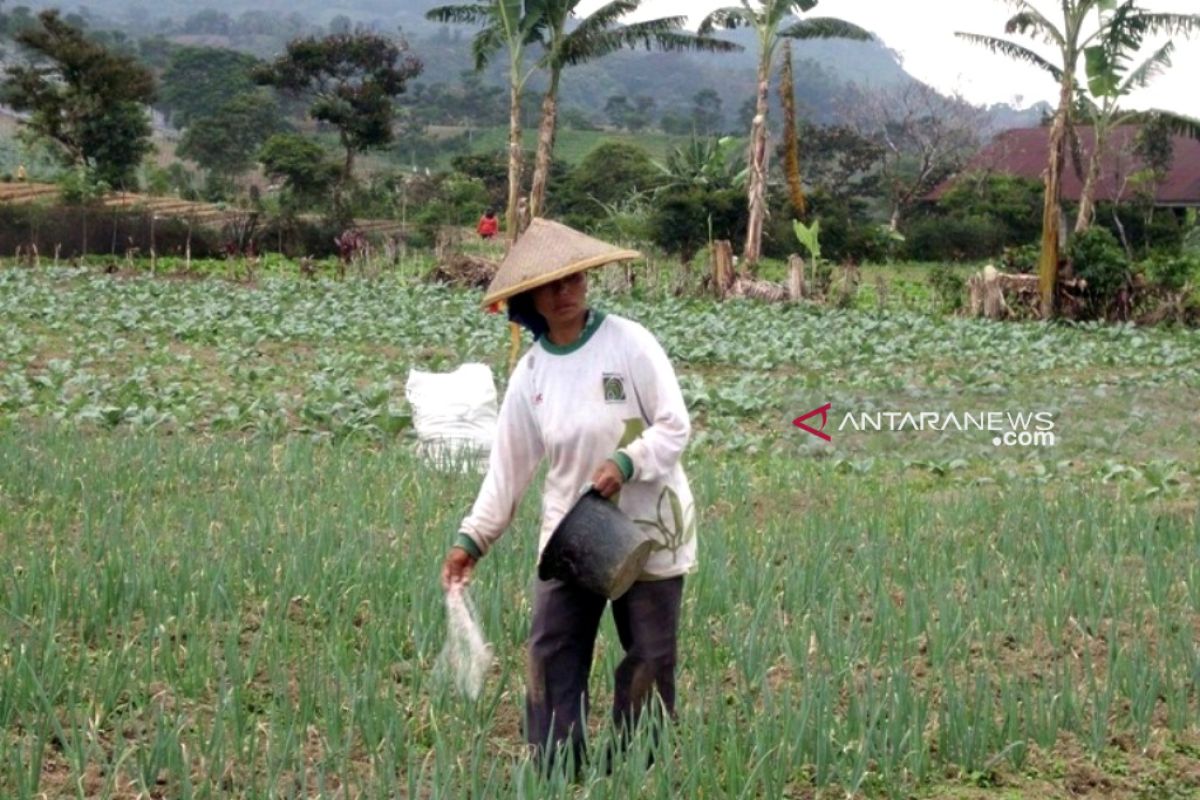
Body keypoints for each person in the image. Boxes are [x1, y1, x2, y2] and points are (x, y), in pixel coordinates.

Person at [441, 218, 697, 776]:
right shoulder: (531, 375)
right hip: (573, 533)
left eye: (574, 280)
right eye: (552, 285)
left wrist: (627, 461)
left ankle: (638, 771)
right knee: (551, 651)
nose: (565, 293)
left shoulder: (629, 344)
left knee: (648, 659)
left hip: (648, 528)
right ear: (529, 296)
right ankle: (560, 772)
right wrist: (472, 539)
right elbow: (507, 471)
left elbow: (676, 427)